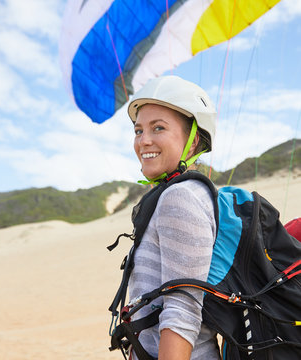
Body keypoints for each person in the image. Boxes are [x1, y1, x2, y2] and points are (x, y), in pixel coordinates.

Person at [126, 75, 220, 359]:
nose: (145, 141)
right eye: (139, 130)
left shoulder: (180, 197)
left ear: (192, 143)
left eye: (158, 128)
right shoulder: (176, 195)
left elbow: (182, 311)